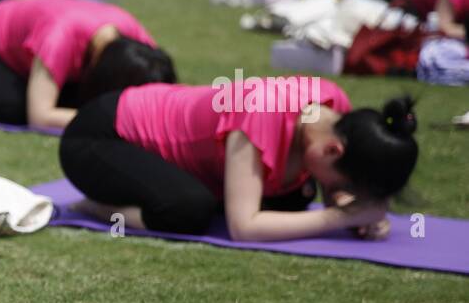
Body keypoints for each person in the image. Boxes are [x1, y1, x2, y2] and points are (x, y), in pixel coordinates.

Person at [58, 82, 418, 242]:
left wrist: (350, 205)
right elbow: (244, 229)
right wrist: (345, 216)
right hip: (100, 137)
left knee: (293, 198)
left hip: (166, 145)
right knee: (189, 212)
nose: (339, 193)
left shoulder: (333, 109)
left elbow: (323, 182)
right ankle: (96, 207)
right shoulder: (261, 114)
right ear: (333, 151)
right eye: (345, 186)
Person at [0, 0, 175, 131]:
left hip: (25, 58)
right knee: (14, 109)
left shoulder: (131, 34)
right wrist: (120, 119)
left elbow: (156, 76)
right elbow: (39, 117)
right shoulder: (60, 37)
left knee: (70, 103)